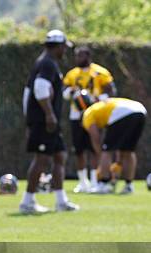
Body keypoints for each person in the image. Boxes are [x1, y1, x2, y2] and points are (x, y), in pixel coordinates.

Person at [20, 30, 79, 214]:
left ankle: (61, 201)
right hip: (44, 121)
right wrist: (49, 115)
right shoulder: (47, 63)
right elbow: (40, 88)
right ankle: (27, 202)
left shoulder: (47, 62)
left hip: (47, 121)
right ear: (59, 46)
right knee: (42, 159)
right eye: (64, 47)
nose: (65, 51)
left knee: (60, 155)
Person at [63, 46, 116, 193]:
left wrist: (99, 99)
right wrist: (71, 92)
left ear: (88, 56)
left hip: (94, 114)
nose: (78, 58)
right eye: (77, 56)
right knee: (79, 150)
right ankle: (82, 181)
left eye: (81, 56)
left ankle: (94, 179)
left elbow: (111, 89)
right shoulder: (72, 74)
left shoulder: (100, 72)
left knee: (94, 147)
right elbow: (65, 92)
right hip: (76, 115)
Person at [82, 98, 146, 194]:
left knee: (106, 151)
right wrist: (118, 163)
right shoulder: (102, 105)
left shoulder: (87, 113)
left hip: (121, 113)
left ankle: (104, 184)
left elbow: (95, 137)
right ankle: (129, 186)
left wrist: (101, 160)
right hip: (140, 111)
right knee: (128, 150)